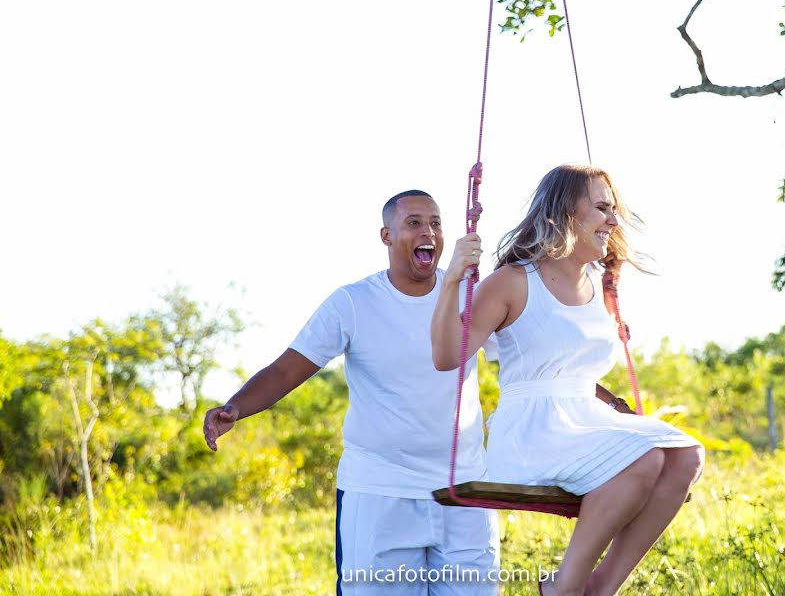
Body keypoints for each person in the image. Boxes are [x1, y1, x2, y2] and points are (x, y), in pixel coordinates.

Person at [204, 190, 499, 595]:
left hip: (465, 492)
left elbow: (530, 358)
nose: (428, 231)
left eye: (435, 222)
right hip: (379, 493)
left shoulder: (470, 296)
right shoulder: (353, 303)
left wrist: (602, 397)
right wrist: (236, 407)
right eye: (413, 223)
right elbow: (287, 368)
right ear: (386, 235)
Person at [431, 165, 704, 596]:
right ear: (564, 213)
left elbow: (569, 365)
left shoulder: (597, 285)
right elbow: (448, 356)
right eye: (600, 208)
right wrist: (451, 282)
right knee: (646, 458)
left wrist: (611, 404)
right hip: (531, 430)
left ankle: (596, 588)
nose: (613, 221)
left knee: (687, 455)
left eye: (613, 210)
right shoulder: (514, 282)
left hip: (584, 419)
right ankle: (566, 587)